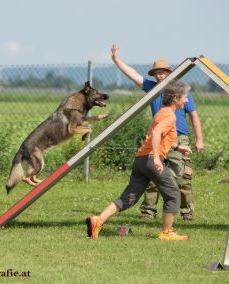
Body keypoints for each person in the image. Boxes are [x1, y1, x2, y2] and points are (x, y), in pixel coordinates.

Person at [86, 80, 192, 240]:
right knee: (173, 195)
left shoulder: (161, 112)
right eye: (185, 97)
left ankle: (98, 221)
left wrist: (177, 147)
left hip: (141, 160)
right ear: (175, 98)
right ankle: (167, 232)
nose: (187, 100)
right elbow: (156, 132)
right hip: (151, 160)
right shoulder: (170, 116)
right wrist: (156, 158)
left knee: (129, 198)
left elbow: (158, 137)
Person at [110, 43, 204, 221]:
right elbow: (132, 75)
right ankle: (148, 211)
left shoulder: (180, 92)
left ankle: (187, 211)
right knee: (153, 174)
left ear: (170, 73)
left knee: (182, 176)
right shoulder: (151, 88)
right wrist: (116, 60)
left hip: (179, 137)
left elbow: (194, 116)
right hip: (158, 138)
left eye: (163, 72)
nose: (160, 76)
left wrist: (199, 139)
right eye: (157, 73)